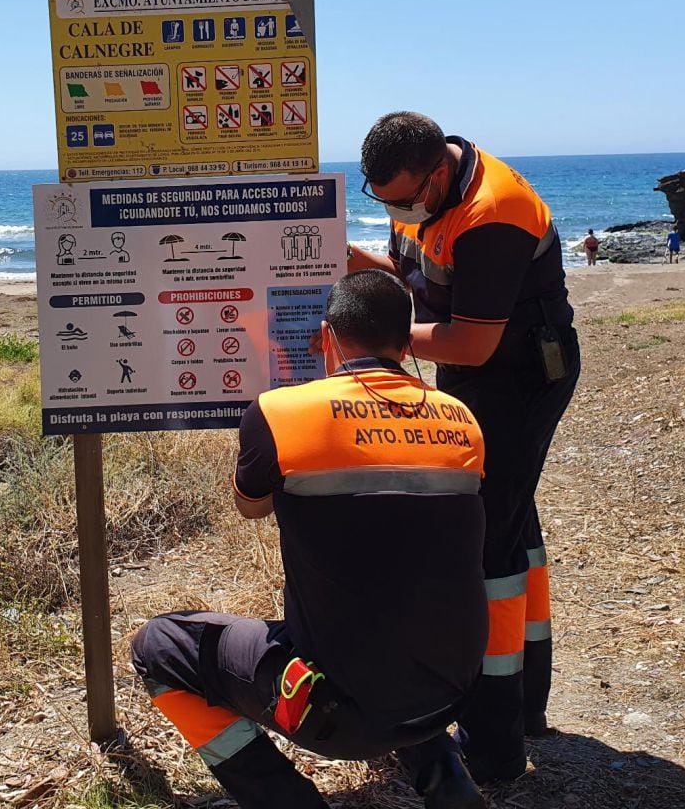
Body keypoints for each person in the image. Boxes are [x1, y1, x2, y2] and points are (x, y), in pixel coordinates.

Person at [131, 270, 490, 809]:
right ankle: (447, 779)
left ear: (326, 336)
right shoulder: (461, 420)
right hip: (450, 696)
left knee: (159, 647)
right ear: (406, 340)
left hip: (334, 712)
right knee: (403, 617)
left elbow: (249, 507)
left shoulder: (280, 412)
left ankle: (285, 800)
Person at [347, 112, 581, 783]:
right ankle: (529, 703)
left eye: (402, 197)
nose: (395, 209)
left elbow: (471, 340)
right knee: (510, 519)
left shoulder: (494, 210)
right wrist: (340, 259)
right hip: (474, 373)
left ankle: (496, 743)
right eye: (382, 198)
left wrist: (378, 341)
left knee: (488, 543)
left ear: (439, 173)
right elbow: (404, 270)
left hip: (522, 378)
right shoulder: (418, 190)